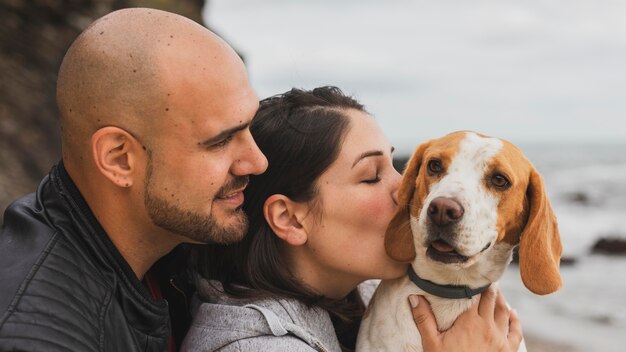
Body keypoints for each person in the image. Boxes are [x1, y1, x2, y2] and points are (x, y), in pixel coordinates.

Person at [0, 8, 267, 351]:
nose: (257, 162)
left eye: (249, 126)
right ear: (119, 159)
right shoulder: (38, 336)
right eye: (220, 141)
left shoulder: (173, 244)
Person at [182, 86, 523, 351]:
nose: (409, 191)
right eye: (372, 176)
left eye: (396, 167)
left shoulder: (367, 293)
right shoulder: (256, 346)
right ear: (289, 219)